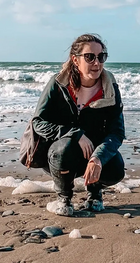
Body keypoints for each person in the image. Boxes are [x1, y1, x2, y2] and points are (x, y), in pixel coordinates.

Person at [31, 33, 125, 217]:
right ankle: (64, 197)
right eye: (90, 57)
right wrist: (75, 134)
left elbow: (117, 131)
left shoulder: (110, 88)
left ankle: (95, 194)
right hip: (60, 154)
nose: (96, 63)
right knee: (63, 149)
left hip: (94, 149)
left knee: (116, 169)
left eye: (101, 57)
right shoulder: (58, 83)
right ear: (75, 60)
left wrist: (98, 157)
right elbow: (38, 122)